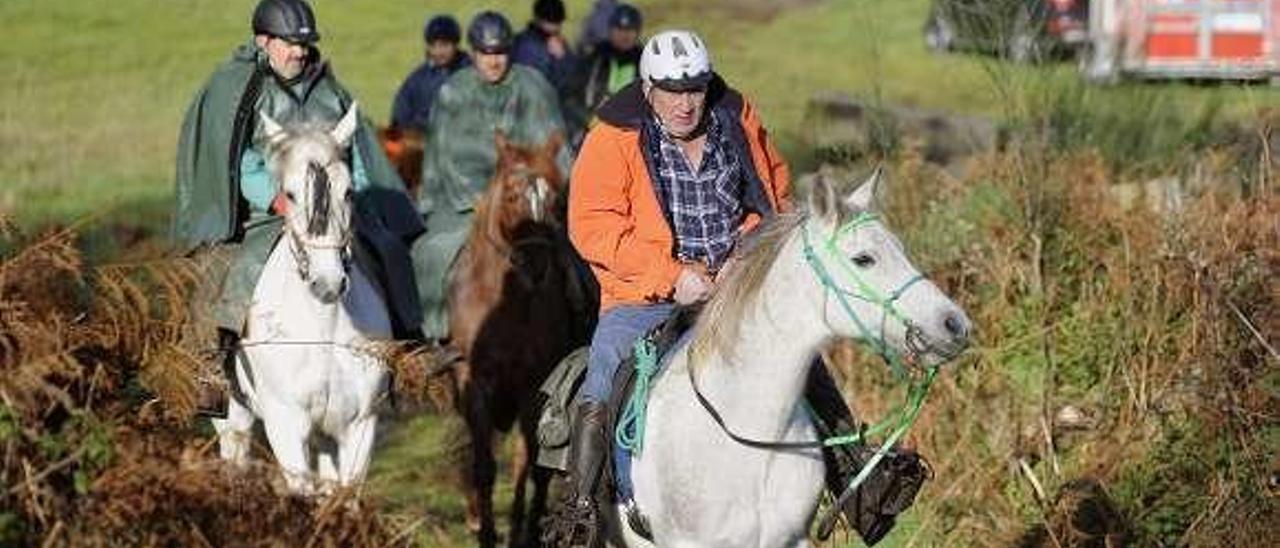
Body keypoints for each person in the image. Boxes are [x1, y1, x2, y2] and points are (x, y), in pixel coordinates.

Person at [549, 29, 869, 544]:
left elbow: (774, 197)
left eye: (695, 88)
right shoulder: (612, 136)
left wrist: (742, 257)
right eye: (673, 91)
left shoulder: (736, 117)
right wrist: (671, 275)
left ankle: (859, 479)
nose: (685, 103)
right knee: (606, 365)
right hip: (644, 294)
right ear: (649, 89)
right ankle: (579, 510)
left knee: (801, 354)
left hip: (735, 283)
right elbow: (593, 226)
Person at [172, 0, 424, 417]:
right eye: (290, 45)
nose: (299, 53)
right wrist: (276, 199)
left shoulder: (329, 90)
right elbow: (240, 163)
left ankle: (411, 349)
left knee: (390, 250)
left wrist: (353, 197)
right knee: (220, 271)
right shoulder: (243, 91)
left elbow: (356, 153)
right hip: (266, 214)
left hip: (335, 214)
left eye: (304, 45)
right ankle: (209, 368)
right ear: (264, 41)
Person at [412, 10, 571, 343]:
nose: (494, 61)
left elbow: (554, 149)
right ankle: (435, 333)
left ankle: (581, 320)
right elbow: (450, 160)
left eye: (500, 52)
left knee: (571, 253)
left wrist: (544, 192)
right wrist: (488, 202)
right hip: (464, 201)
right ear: (473, 53)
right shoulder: (453, 92)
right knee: (430, 252)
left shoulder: (534, 86)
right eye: (486, 53)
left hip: (530, 196)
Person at [389, 14, 471, 134]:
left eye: (444, 45)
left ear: (455, 44)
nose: (439, 52)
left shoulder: (473, 73)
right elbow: (399, 119)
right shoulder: (417, 81)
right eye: (434, 46)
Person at [577, 3, 642, 113]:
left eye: (630, 30)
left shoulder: (643, 60)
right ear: (610, 30)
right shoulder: (596, 57)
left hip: (633, 123)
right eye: (619, 29)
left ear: (637, 32)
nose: (624, 35)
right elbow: (573, 93)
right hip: (594, 121)